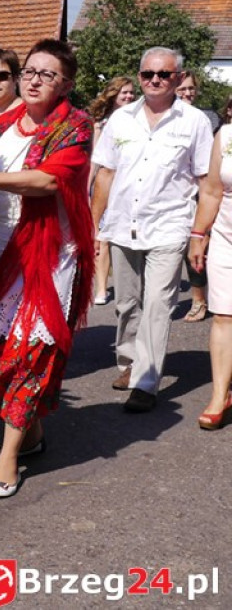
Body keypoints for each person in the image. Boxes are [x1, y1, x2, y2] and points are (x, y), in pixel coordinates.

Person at [0, 39, 94, 497]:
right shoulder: (3, 125)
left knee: (30, 351)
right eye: (31, 71)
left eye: (47, 74)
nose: (34, 80)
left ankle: (8, 454)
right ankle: (31, 434)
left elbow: (47, 180)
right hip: (0, 254)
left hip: (48, 257)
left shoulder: (75, 126)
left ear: (66, 84)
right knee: (3, 349)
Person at [91, 47, 214, 412]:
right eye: (147, 74)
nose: (154, 80)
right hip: (123, 224)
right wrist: (95, 225)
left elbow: (206, 183)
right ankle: (129, 362)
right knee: (127, 303)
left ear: (177, 79)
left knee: (158, 304)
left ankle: (146, 381)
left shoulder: (194, 122)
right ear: (140, 75)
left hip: (169, 225)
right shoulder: (121, 119)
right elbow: (105, 175)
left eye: (163, 74)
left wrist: (198, 233)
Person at [189, 123, 232, 429]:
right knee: (223, 317)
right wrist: (198, 232)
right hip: (226, 239)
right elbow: (213, 190)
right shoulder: (227, 135)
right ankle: (220, 395)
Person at [87, 76, 136, 305]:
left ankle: (133, 285)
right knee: (102, 236)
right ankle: (101, 287)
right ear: (113, 95)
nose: (128, 96)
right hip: (105, 184)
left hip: (128, 185)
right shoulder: (102, 123)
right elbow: (96, 160)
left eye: (130, 93)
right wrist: (88, 186)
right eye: (123, 92)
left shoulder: (139, 120)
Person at [175, 70, 209, 322]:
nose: (188, 93)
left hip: (201, 195)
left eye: (191, 89)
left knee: (199, 250)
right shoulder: (166, 117)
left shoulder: (204, 118)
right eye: (183, 89)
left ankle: (201, 300)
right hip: (175, 197)